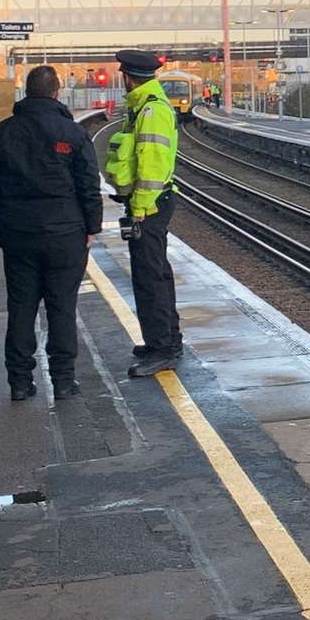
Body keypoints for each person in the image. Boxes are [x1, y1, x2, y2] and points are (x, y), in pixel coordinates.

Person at [0, 65, 102, 401]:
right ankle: (63, 381)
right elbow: (89, 185)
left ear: (26, 91)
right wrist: (92, 226)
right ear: (56, 92)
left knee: (21, 307)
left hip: (18, 234)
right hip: (65, 234)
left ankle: (20, 382)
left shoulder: (3, 133)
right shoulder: (72, 133)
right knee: (62, 306)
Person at [104, 49, 181, 377]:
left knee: (150, 277)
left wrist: (139, 210)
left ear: (127, 77)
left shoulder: (150, 111)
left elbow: (151, 165)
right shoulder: (143, 107)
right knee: (156, 272)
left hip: (149, 205)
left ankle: (162, 348)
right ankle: (166, 340)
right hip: (150, 203)